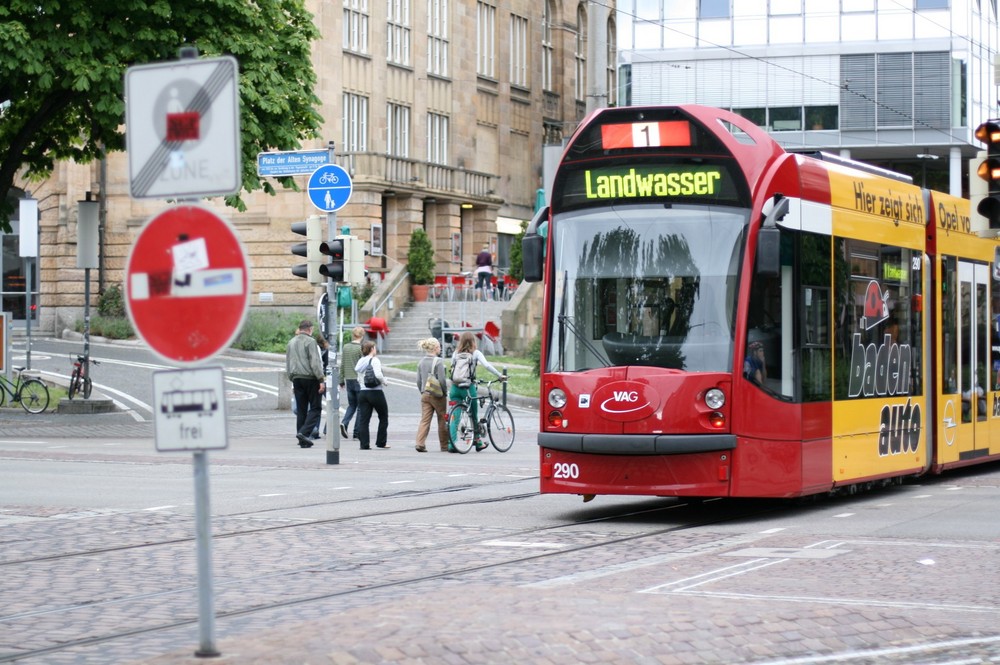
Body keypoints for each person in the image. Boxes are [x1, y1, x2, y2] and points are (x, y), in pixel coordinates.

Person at [449, 331, 505, 452]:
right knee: (473, 414)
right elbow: (487, 365)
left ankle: (452, 444)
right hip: (468, 388)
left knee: (455, 416)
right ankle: (478, 441)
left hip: (454, 388)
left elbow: (452, 368)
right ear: (473, 342)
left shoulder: (455, 353)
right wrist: (499, 375)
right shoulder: (475, 353)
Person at [286, 320, 325, 448]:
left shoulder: (291, 342)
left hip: (296, 378)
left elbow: (288, 362)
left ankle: (301, 439)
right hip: (310, 377)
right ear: (310, 329)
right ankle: (304, 432)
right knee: (315, 408)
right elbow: (315, 362)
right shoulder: (311, 342)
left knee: (302, 409)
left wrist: (291, 377)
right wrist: (321, 379)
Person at [415, 337, 449, 453]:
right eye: (439, 346)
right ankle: (444, 445)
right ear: (435, 348)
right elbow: (442, 380)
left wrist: (422, 391)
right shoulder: (438, 361)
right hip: (437, 395)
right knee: (442, 419)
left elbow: (418, 380)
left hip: (425, 394)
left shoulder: (421, 362)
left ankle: (420, 443)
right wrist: (445, 393)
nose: (440, 348)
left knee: (425, 420)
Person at [355, 340, 389, 450]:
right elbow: (378, 374)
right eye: (374, 347)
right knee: (383, 416)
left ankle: (364, 444)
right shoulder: (375, 360)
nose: (376, 349)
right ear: (371, 349)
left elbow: (358, 376)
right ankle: (381, 442)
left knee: (364, 420)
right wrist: (384, 381)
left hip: (363, 392)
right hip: (375, 392)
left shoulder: (360, 361)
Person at [339, 326, 365, 439]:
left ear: (353, 335)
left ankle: (344, 423)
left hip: (348, 379)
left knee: (352, 405)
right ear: (362, 336)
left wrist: (341, 379)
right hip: (358, 380)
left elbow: (343, 364)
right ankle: (357, 432)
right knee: (360, 406)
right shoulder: (361, 348)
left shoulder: (346, 347)